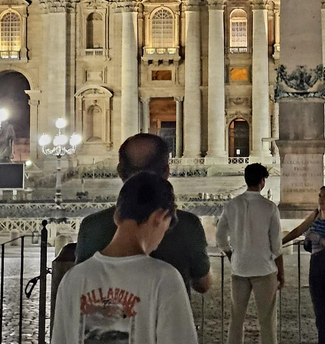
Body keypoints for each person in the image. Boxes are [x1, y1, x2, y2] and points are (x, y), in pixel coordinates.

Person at [52, 172, 197, 344]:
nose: (159, 242)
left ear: (116, 216)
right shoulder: (165, 279)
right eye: (166, 229)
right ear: (160, 217)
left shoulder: (73, 279)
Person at [75, 133, 212, 295]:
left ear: (120, 171)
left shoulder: (91, 226)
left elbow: (82, 285)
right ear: (166, 171)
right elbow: (202, 285)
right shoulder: (188, 224)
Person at [216, 163, 284, 344]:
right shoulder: (269, 207)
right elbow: (276, 245)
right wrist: (281, 273)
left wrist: (231, 254)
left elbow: (220, 236)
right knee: (267, 321)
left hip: (239, 268)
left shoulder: (231, 205)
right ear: (262, 182)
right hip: (264, 269)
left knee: (236, 319)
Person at [283, 187, 325, 344]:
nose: (321, 199)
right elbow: (299, 230)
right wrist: (279, 243)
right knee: (321, 313)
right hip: (317, 264)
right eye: (320, 195)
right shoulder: (316, 214)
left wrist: (320, 240)